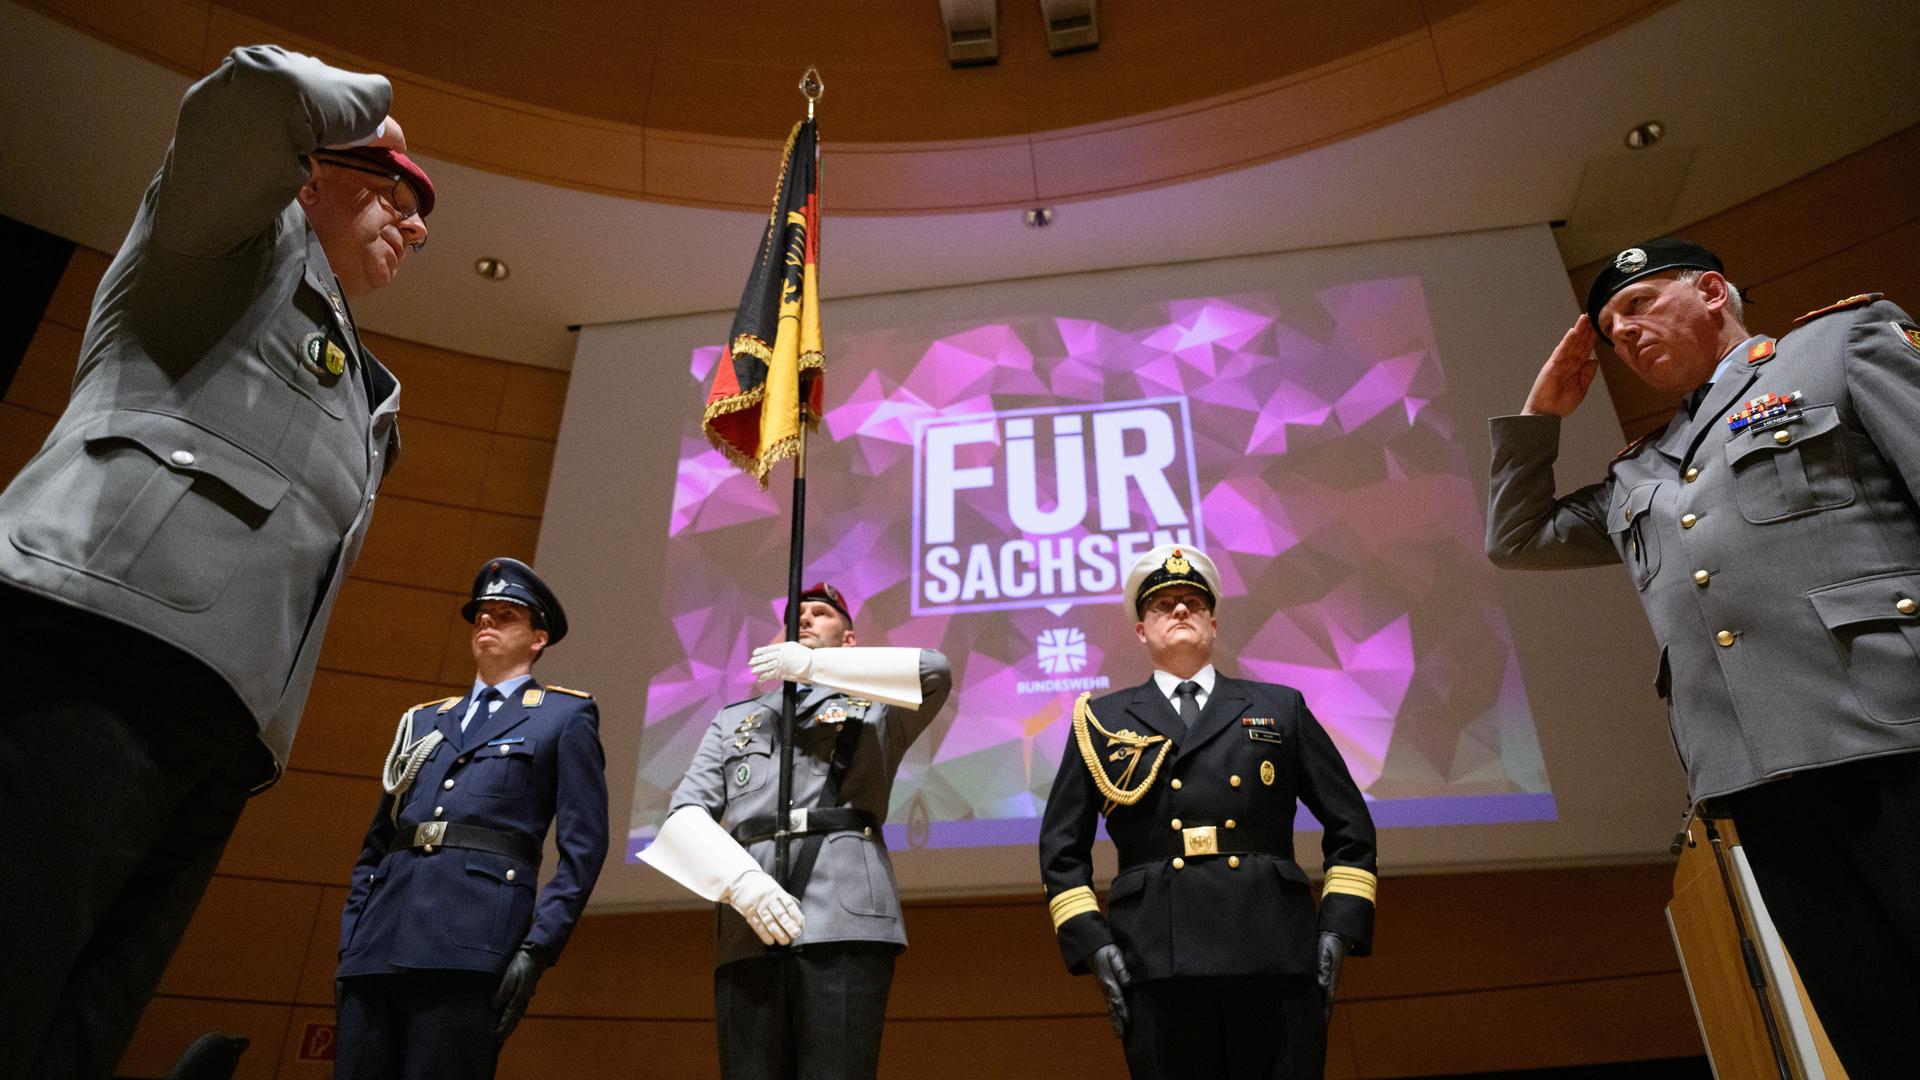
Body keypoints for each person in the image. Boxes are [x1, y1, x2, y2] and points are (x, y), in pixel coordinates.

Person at [0, 44, 432, 1077]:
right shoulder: (222, 245)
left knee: (80, 1023)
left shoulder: (364, 388)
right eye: (398, 191)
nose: (418, 225)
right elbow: (252, 96)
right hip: (95, 647)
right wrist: (363, 111)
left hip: (223, 727)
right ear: (316, 175)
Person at [1486, 237, 1920, 1076]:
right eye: (1610, 330)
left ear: (1714, 291)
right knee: (1875, 1025)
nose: (1624, 335)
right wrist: (1541, 415)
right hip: (1757, 774)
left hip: (1895, 735)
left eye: (1639, 305)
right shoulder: (1640, 468)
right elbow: (1518, 538)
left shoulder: (1835, 349)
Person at [1039, 544, 1379, 1080]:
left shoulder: (1277, 707)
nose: (1179, 610)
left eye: (1193, 602)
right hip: (1156, 956)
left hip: (1274, 948)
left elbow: (1350, 825)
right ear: (1140, 631)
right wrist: (1093, 942)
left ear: (1214, 624)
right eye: (1162, 604)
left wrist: (1338, 926)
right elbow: (1061, 851)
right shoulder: (1101, 721)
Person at [641, 582, 953, 1080]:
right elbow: (684, 814)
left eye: (821, 614)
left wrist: (814, 668)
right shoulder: (736, 721)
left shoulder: (878, 707)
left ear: (849, 640)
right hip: (749, 918)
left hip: (845, 917)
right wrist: (741, 885)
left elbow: (936, 671)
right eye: (797, 614)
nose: (804, 620)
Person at [335, 558, 608, 1079]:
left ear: (537, 638)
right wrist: (352, 937)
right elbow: (379, 842)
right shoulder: (424, 721)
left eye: (506, 615)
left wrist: (538, 948)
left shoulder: (564, 716)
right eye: (481, 615)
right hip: (377, 943)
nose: (486, 623)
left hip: (470, 945)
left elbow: (584, 848)